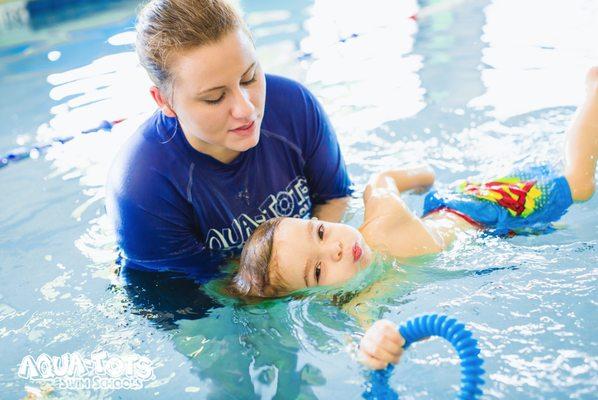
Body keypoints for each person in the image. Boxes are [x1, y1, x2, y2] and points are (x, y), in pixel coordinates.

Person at [229, 67, 598, 369]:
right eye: (319, 272)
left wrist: (423, 178)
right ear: (313, 295)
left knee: (580, 183)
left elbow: (382, 181)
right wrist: (371, 347)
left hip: (481, 208)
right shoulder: (362, 297)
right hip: (486, 228)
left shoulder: (383, 221)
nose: (337, 250)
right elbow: (362, 335)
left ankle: (594, 91)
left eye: (322, 232)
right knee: (547, 182)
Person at [105, 0, 353, 275]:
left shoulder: (295, 108)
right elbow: (188, 292)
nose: (247, 109)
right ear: (164, 100)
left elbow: (336, 199)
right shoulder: (143, 186)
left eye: (249, 78)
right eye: (215, 97)